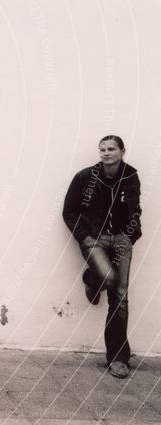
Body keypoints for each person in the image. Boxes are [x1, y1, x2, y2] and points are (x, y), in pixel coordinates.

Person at [62, 135, 142, 379]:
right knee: (109, 279)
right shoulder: (85, 177)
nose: (106, 153)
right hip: (93, 238)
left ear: (122, 151)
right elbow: (69, 211)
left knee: (120, 296)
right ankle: (94, 278)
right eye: (102, 149)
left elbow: (136, 207)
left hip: (121, 239)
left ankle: (118, 356)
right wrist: (84, 237)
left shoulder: (131, 176)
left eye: (111, 149)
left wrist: (131, 235)